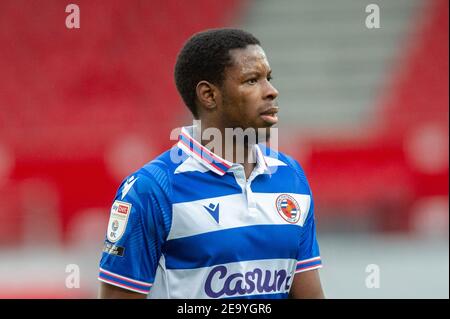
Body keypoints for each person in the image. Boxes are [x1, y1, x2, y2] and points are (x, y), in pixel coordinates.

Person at [98, 28, 324, 299]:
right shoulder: (152, 189)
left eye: (268, 78)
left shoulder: (291, 177)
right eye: (252, 81)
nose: (271, 91)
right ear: (209, 95)